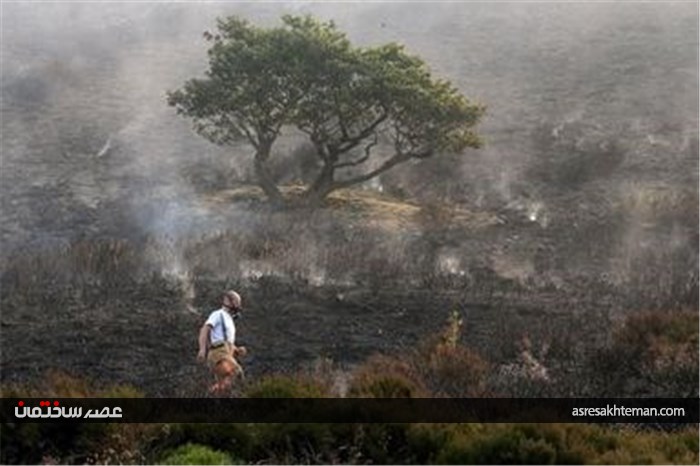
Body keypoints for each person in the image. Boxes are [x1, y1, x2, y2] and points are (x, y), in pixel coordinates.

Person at [197, 290, 247, 394]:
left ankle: (212, 393)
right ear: (228, 300)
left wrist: (237, 350)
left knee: (226, 388)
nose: (238, 305)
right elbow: (204, 329)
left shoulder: (230, 320)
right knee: (236, 373)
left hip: (226, 353)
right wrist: (202, 349)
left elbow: (226, 342)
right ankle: (214, 391)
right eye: (237, 301)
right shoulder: (218, 314)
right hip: (218, 353)